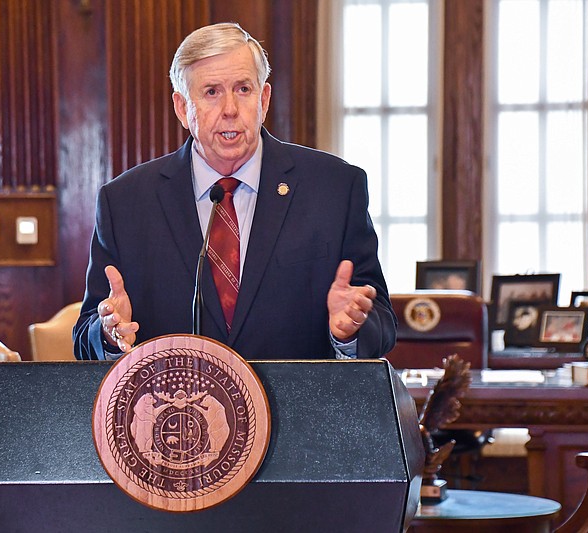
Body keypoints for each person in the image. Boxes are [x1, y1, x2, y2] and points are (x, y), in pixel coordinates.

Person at [73, 22, 397, 361]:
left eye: (243, 89)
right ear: (183, 108)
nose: (230, 109)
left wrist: (350, 331)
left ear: (264, 99)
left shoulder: (334, 189)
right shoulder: (125, 203)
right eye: (212, 92)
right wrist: (109, 334)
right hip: (178, 410)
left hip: (298, 411)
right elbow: (84, 338)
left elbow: (383, 325)